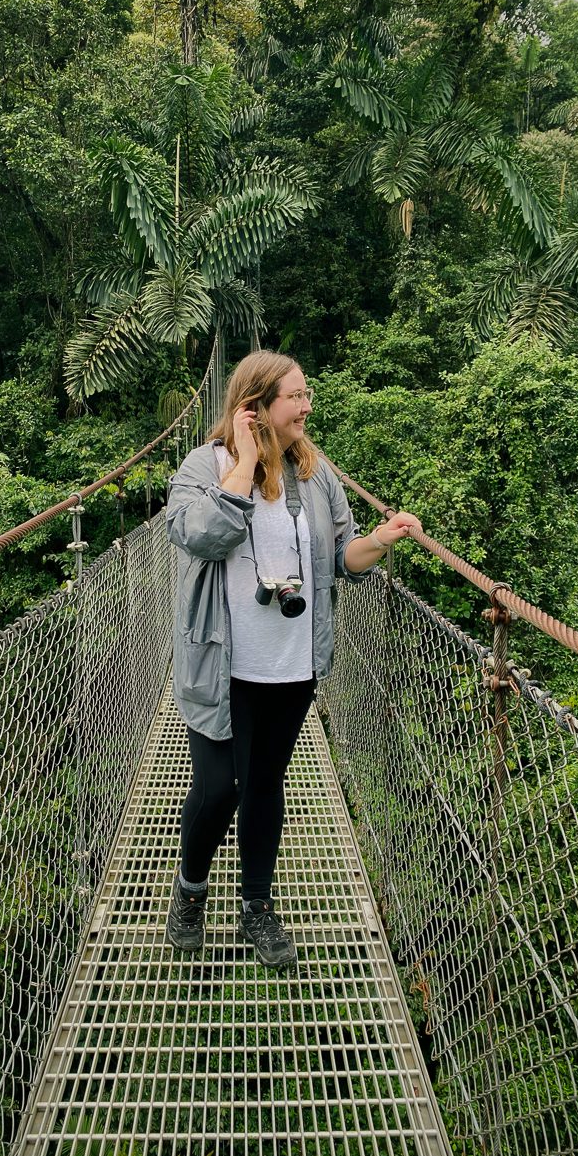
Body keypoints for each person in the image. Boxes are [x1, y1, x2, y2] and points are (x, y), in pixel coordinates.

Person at [164, 350, 421, 968]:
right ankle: (190, 889)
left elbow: (340, 561)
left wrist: (379, 542)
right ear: (255, 406)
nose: (307, 406)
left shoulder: (315, 472)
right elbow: (198, 533)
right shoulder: (206, 464)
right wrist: (247, 463)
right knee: (219, 785)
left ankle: (256, 905)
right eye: (296, 396)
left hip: (292, 665)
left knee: (264, 786)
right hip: (222, 668)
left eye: (307, 394)